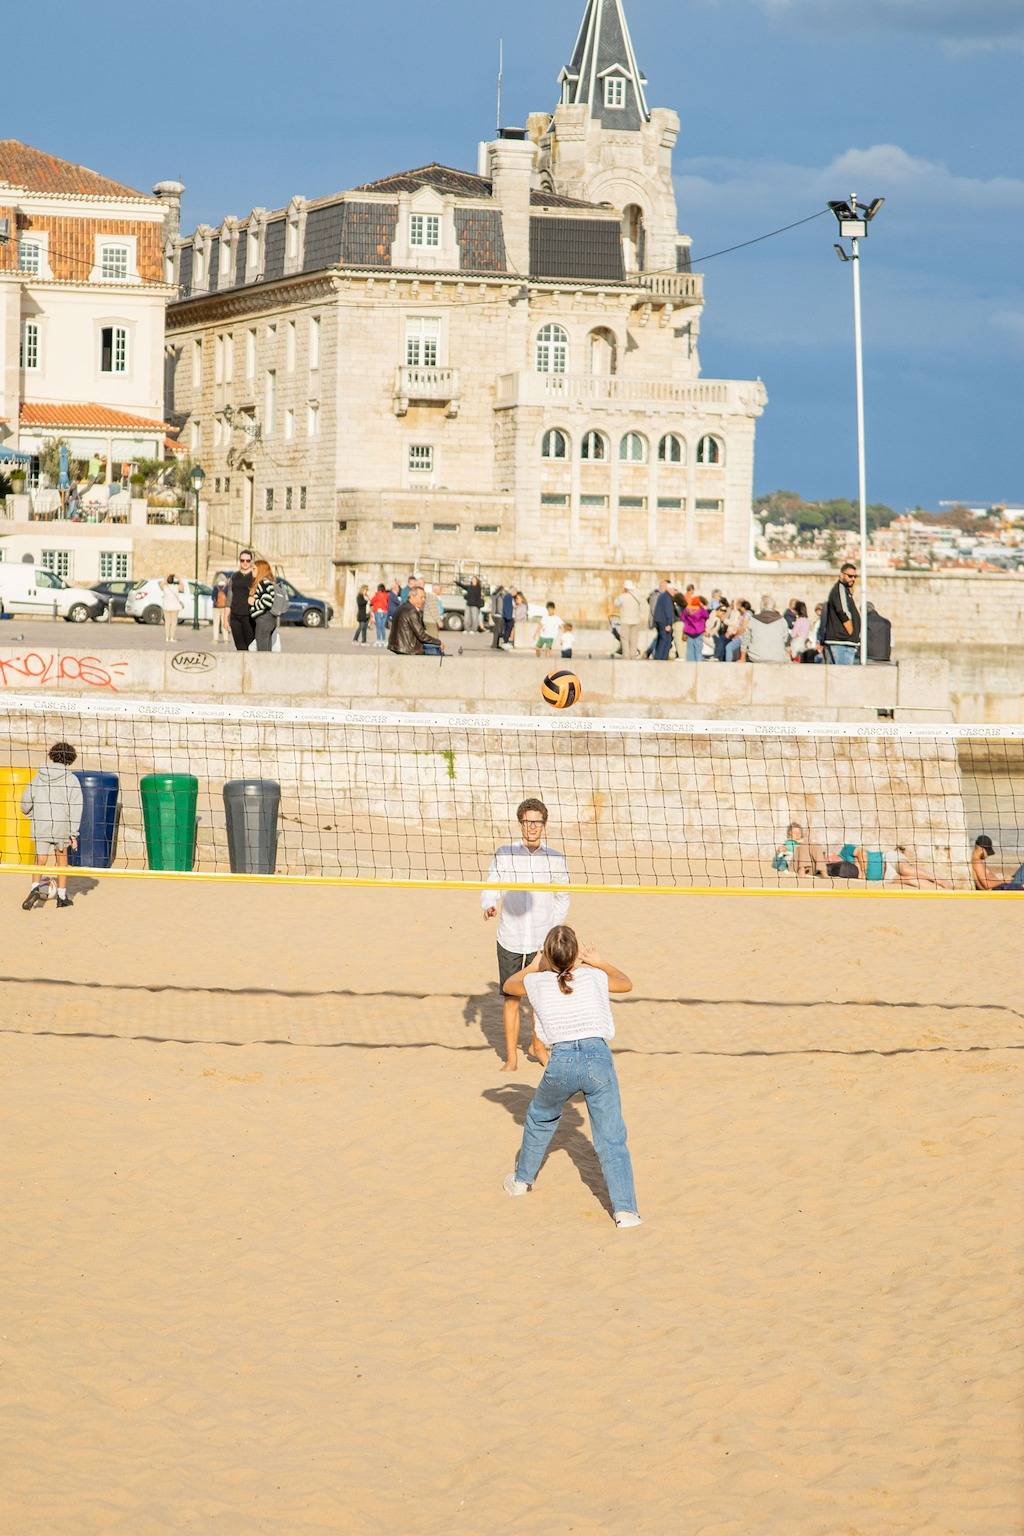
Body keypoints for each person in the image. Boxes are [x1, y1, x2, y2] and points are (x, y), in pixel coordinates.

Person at [502, 927, 641, 1229]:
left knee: (540, 1118)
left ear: (549, 957)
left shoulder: (537, 982)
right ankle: (626, 1211)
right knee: (612, 1139)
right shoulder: (593, 976)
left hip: (561, 1061)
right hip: (597, 1060)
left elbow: (509, 985)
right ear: (576, 955)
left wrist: (535, 964)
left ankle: (521, 1181)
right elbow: (626, 983)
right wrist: (599, 961)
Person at [482, 798, 570, 1073]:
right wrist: (489, 904)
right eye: (527, 821)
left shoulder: (554, 858)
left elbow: (563, 896)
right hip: (510, 937)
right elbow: (491, 886)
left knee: (540, 999)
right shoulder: (505, 853)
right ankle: (511, 1058)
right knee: (511, 998)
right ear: (520, 823)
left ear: (544, 825)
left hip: (540, 941)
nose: (532, 826)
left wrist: (551, 930)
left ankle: (537, 1047)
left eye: (537, 822)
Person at [20, 742, 83, 912]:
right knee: (62, 859)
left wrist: (32, 815)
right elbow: (76, 807)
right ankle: (61, 897)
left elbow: (25, 802)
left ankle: (34, 889)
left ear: (52, 755)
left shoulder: (38, 776)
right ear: (70, 759)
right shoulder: (71, 779)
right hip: (61, 825)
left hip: (41, 823)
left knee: (40, 859)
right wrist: (73, 833)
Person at [822, 561, 861, 664]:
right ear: (842, 575)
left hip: (845, 642)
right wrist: (850, 631)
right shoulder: (840, 589)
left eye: (855, 576)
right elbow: (842, 611)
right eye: (850, 576)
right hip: (841, 641)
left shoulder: (846, 590)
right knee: (843, 676)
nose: (853, 579)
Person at [387, 585, 443, 656]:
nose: (424, 600)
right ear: (412, 597)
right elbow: (422, 636)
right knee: (438, 653)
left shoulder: (402, 606)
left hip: (398, 647)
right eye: (421, 597)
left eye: (424, 597)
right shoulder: (412, 611)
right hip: (409, 648)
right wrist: (439, 642)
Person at [227, 550, 256, 651]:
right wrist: (226, 619)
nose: (245, 563)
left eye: (247, 560)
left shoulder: (254, 577)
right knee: (239, 646)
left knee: (251, 646)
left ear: (251, 561)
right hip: (235, 616)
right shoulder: (234, 576)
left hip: (249, 617)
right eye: (242, 560)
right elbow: (229, 597)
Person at [248, 558, 278, 651]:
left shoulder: (263, 582)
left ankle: (264, 666)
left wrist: (253, 602)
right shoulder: (268, 582)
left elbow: (267, 601)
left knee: (262, 651)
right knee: (266, 650)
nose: (251, 571)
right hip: (269, 620)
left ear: (260, 570)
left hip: (263, 620)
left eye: (254, 569)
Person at [613, 579, 643, 659]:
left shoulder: (622, 596)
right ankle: (633, 655)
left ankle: (626, 656)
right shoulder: (637, 596)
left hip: (625, 621)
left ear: (625, 588)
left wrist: (621, 594)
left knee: (625, 639)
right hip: (636, 621)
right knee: (634, 639)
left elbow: (616, 604)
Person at [651, 579, 675, 660]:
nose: (674, 592)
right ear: (669, 589)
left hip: (661, 621)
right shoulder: (667, 597)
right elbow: (668, 611)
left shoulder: (663, 596)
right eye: (673, 590)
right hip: (664, 622)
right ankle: (660, 658)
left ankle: (660, 658)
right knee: (665, 641)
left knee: (663, 640)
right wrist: (668, 624)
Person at [682, 593, 709, 661]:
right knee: (698, 650)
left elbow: (682, 618)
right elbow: (707, 615)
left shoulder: (687, 610)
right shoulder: (701, 610)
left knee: (690, 650)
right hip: (698, 632)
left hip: (689, 632)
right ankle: (698, 666)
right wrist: (702, 607)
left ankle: (690, 667)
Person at [160, 574, 181, 643]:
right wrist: (179, 578)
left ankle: (167, 638)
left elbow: (161, 584)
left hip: (166, 607)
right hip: (175, 607)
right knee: (173, 623)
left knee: (167, 623)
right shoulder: (176, 587)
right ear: (173, 581)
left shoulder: (165, 587)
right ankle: (172, 638)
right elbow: (183, 586)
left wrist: (166, 577)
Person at [212, 576, 230, 645]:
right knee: (224, 623)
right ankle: (226, 639)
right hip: (225, 608)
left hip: (216, 608)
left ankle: (215, 639)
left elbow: (212, 597)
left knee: (216, 623)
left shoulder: (215, 587)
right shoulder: (226, 588)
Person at [490, 584, 506, 649]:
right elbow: (500, 607)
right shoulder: (500, 596)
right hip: (499, 615)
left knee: (496, 630)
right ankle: (495, 644)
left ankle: (495, 644)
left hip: (494, 614)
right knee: (498, 631)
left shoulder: (494, 595)